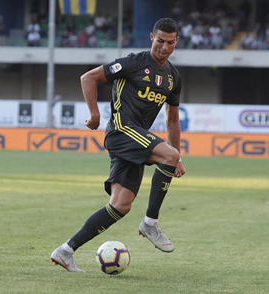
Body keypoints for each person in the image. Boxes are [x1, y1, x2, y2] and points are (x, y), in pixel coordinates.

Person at [50, 18, 186, 273]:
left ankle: (66, 251)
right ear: (151, 37)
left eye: (170, 42)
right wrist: (95, 115)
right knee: (169, 154)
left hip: (137, 139)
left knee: (121, 205)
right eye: (160, 41)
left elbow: (173, 119)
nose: (165, 47)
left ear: (176, 42)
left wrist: (176, 157)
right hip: (122, 131)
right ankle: (150, 223)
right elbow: (88, 78)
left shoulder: (173, 77)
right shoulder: (134, 62)